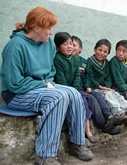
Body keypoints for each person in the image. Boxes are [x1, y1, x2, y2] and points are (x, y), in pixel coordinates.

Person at [0, 7, 93, 165]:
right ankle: (44, 154)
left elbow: (50, 70)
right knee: (57, 97)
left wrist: (47, 83)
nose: (51, 33)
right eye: (48, 28)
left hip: (42, 87)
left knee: (74, 93)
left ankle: (77, 143)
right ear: (36, 28)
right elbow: (14, 83)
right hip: (16, 94)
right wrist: (43, 84)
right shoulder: (15, 46)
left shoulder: (47, 43)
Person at [71, 35, 125, 135]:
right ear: (95, 49)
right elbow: (88, 77)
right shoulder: (80, 61)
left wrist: (89, 86)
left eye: (74, 45)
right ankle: (104, 125)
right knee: (93, 99)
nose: (71, 47)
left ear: (81, 49)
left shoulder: (83, 62)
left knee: (99, 96)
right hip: (77, 90)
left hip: (85, 88)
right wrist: (95, 86)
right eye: (70, 44)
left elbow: (86, 76)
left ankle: (110, 117)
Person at [53, 32, 98, 146]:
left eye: (71, 44)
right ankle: (84, 133)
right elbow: (60, 79)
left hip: (75, 89)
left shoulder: (73, 59)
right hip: (65, 90)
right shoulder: (57, 59)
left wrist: (75, 89)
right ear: (58, 47)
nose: (69, 47)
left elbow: (77, 75)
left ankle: (97, 126)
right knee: (82, 102)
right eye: (65, 44)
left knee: (91, 99)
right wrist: (72, 91)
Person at [87, 39, 127, 124]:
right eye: (100, 50)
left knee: (116, 94)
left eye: (105, 52)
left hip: (105, 87)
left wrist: (107, 86)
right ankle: (118, 113)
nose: (102, 53)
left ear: (108, 53)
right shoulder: (89, 62)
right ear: (94, 49)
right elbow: (90, 77)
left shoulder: (106, 63)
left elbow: (109, 77)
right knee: (109, 95)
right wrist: (100, 86)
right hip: (95, 87)